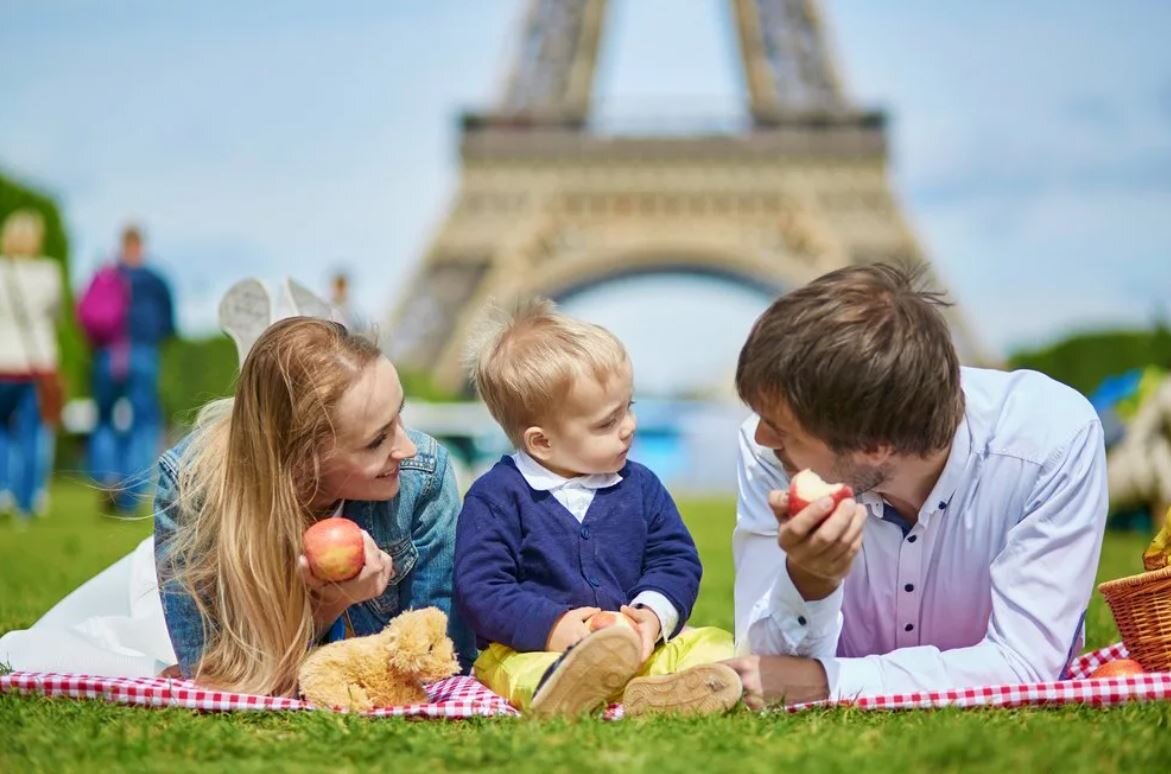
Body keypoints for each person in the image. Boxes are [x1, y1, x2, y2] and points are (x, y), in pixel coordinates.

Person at [2, 316, 476, 697]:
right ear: (300, 465)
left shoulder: (424, 476)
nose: (408, 448)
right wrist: (330, 604)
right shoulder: (191, 487)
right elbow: (218, 675)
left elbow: (435, 669)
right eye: (377, 440)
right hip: (168, 582)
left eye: (399, 417)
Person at [723, 264, 1108, 708]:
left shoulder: (1050, 444)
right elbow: (761, 672)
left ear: (874, 446)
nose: (760, 438)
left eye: (782, 429)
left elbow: (1024, 666)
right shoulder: (775, 455)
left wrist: (829, 682)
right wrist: (810, 579)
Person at [454, 299, 741, 717]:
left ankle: (660, 692)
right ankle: (569, 690)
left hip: (637, 645)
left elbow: (674, 558)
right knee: (519, 673)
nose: (629, 426)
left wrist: (651, 616)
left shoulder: (641, 486)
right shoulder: (495, 496)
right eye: (608, 422)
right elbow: (481, 589)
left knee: (716, 645)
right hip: (535, 649)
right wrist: (556, 627)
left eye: (630, 406)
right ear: (542, 442)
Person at [81, 224, 175, 515]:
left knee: (105, 420)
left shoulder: (107, 276)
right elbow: (168, 325)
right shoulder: (155, 280)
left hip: (108, 355)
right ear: (141, 245)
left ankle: (107, 475)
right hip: (142, 354)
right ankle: (132, 494)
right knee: (144, 424)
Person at [0, 209, 64, 519]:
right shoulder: (49, 273)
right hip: (35, 363)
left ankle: (3, 490)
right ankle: (28, 501)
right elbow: (55, 315)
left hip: (3, 362)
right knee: (31, 433)